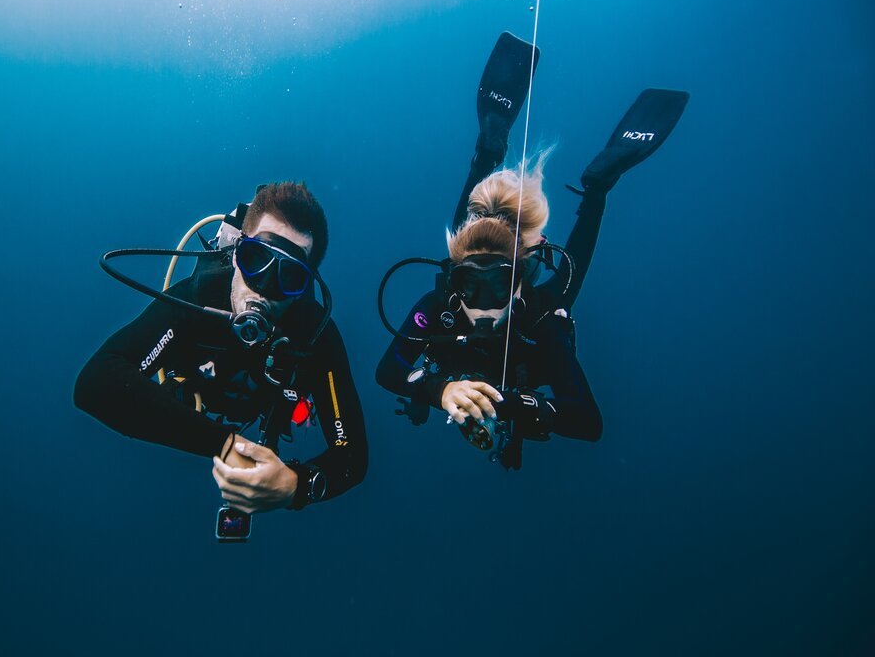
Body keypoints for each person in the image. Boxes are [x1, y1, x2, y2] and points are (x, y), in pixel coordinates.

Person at [375, 33, 688, 468]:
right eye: (469, 285)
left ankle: (547, 173)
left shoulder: (541, 322)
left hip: (529, 312)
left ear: (519, 279)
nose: (482, 304)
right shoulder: (443, 305)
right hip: (496, 296)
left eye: (498, 286)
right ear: (456, 284)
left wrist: (512, 405)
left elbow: (589, 423)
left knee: (559, 289)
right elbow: (387, 372)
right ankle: (573, 179)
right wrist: (440, 390)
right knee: (521, 269)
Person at [75, 182, 367, 529]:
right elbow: (96, 383)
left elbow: (352, 456)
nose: (264, 287)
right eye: (256, 260)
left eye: (289, 277)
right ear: (235, 253)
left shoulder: (314, 334)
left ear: (304, 288)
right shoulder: (196, 302)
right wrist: (226, 446)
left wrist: (296, 486)